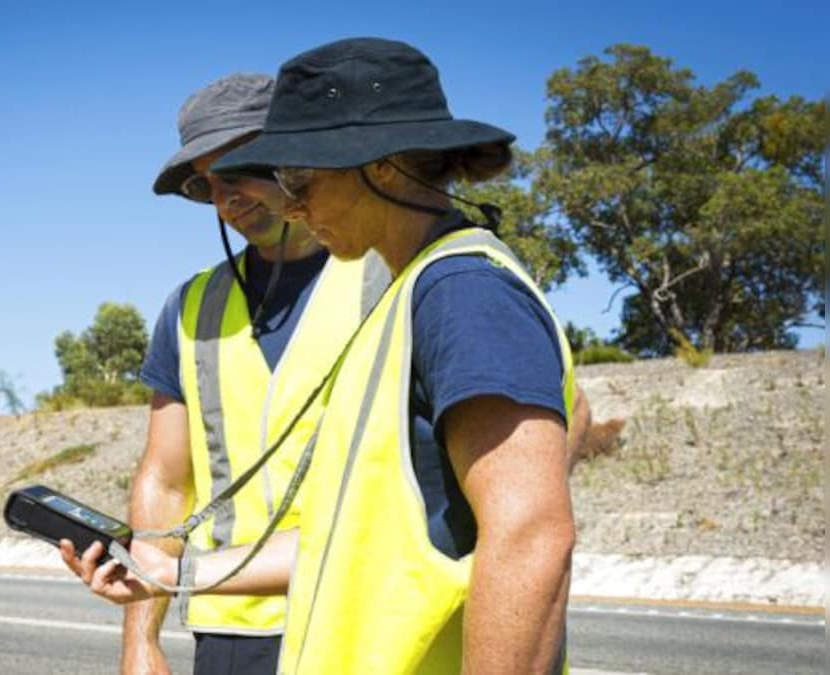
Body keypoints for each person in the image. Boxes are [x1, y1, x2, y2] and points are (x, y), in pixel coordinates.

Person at [63, 39, 585, 675]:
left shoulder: (460, 292)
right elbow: (352, 533)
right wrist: (171, 571)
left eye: (299, 176)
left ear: (383, 168)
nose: (293, 203)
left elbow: (530, 534)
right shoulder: (407, 295)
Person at [124, 73, 389, 675]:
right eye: (208, 186)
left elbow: (553, 422)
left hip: (366, 619)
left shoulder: (393, 273)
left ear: (297, 157)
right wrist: (141, 642)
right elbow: (166, 482)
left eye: (240, 171)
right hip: (230, 626)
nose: (225, 200)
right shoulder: (190, 307)